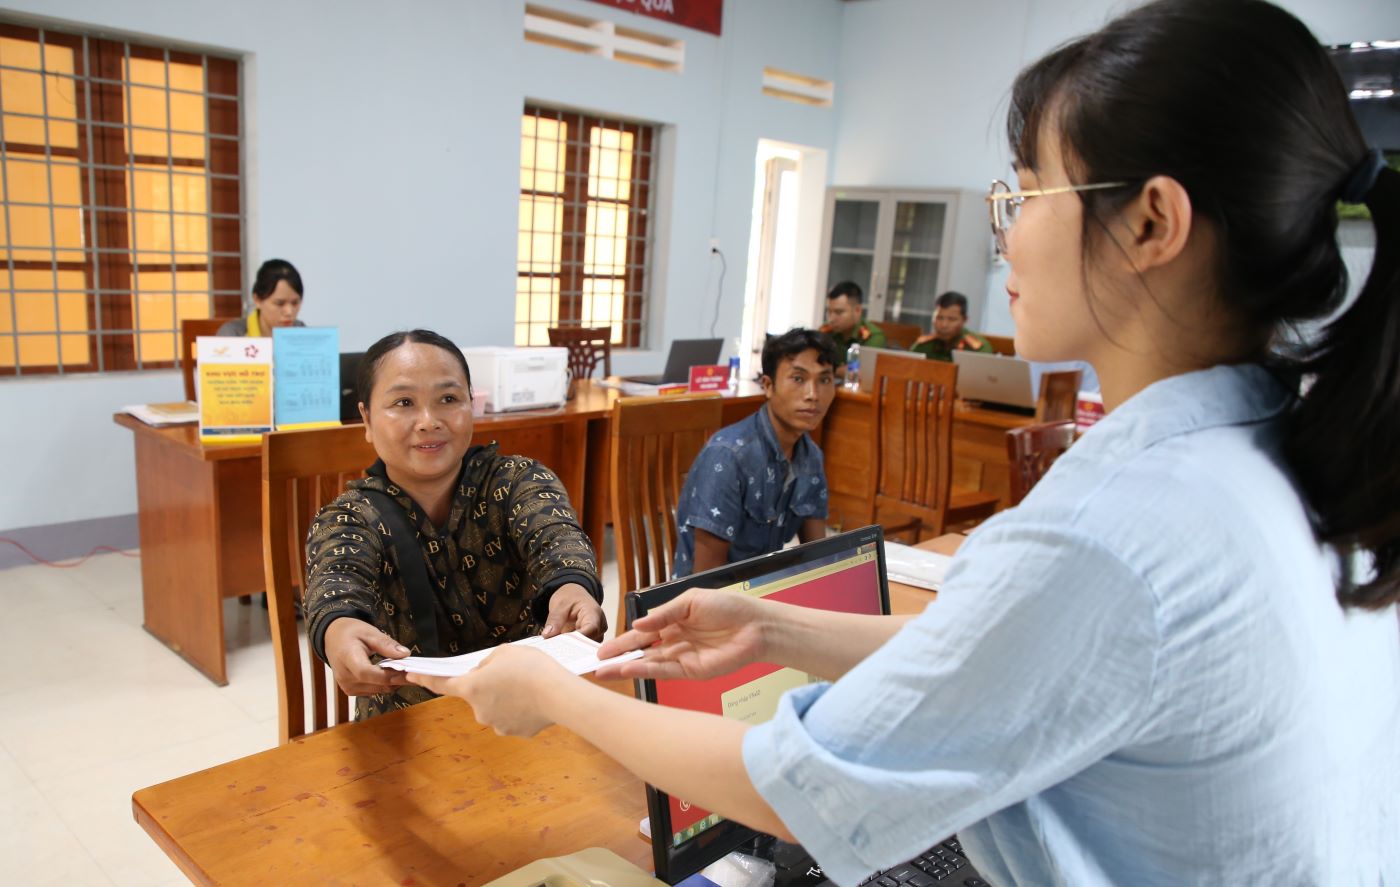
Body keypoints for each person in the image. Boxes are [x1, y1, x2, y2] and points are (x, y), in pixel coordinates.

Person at [407, 1, 1400, 882]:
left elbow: (804, 788)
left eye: (1023, 195)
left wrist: (555, 694)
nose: (1004, 234)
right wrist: (777, 629)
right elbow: (1005, 655)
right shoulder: (1282, 446)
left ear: (1151, 223)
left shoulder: (1118, 527)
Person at [304, 329, 606, 719]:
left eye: (448, 399)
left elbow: (556, 536)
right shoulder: (349, 517)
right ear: (366, 418)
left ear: (471, 403)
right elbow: (337, 576)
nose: (428, 421)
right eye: (404, 402)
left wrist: (572, 585)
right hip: (408, 724)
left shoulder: (517, 480)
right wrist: (337, 627)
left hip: (529, 708)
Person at [672, 328, 838, 578]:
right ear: (768, 386)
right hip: (710, 597)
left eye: (824, 380)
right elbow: (707, 582)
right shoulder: (729, 457)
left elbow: (818, 560)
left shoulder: (810, 455)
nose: (813, 395)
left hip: (763, 589)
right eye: (798, 378)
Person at [217, 258, 305, 335]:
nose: (289, 312)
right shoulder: (233, 334)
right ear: (257, 300)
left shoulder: (302, 333)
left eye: (295, 303)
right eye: (280, 303)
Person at [910, 291, 994, 361]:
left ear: (964, 320)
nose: (944, 325)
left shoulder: (978, 350)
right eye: (939, 318)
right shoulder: (922, 346)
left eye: (952, 319)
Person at [820, 281, 885, 361]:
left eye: (838, 312)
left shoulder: (872, 336)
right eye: (829, 311)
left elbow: (864, 367)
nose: (831, 319)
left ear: (857, 310)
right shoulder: (825, 330)